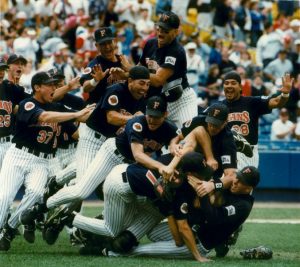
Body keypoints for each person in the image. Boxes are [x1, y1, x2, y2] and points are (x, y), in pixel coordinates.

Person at [0, 71, 95, 251]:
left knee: (35, 195)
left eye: (55, 84)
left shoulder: (58, 107)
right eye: (49, 85)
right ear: (37, 87)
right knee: (4, 197)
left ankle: (9, 229)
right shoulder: (27, 103)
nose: (54, 87)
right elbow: (44, 117)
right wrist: (76, 115)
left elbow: (75, 132)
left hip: (42, 162)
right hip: (19, 156)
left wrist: (93, 126)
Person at [105, 164, 260, 261]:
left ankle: (110, 251)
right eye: (237, 178)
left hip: (200, 243)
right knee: (152, 233)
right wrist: (213, 185)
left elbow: (213, 218)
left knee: (137, 251)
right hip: (193, 227)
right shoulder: (233, 186)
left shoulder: (243, 205)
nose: (235, 182)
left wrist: (203, 192)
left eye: (241, 182)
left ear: (249, 187)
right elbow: (227, 177)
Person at [221, 71, 294, 169]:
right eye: (226, 83)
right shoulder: (218, 106)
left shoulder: (251, 102)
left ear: (240, 87)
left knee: (244, 183)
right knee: (228, 181)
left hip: (248, 153)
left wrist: (285, 94)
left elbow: (276, 102)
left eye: (233, 83)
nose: (229, 86)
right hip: (226, 151)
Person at [138, 11, 198, 127]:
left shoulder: (176, 50)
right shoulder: (150, 44)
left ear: (176, 32)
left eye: (166, 30)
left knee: (187, 134)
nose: (160, 32)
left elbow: (158, 80)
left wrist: (129, 70)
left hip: (180, 101)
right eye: (159, 28)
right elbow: (138, 69)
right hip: (158, 103)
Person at [80, 27, 127, 104]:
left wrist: (128, 72)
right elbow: (85, 88)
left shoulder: (123, 60)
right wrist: (95, 80)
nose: (107, 47)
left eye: (109, 42)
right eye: (103, 44)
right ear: (97, 46)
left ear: (114, 42)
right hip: (100, 108)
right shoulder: (95, 65)